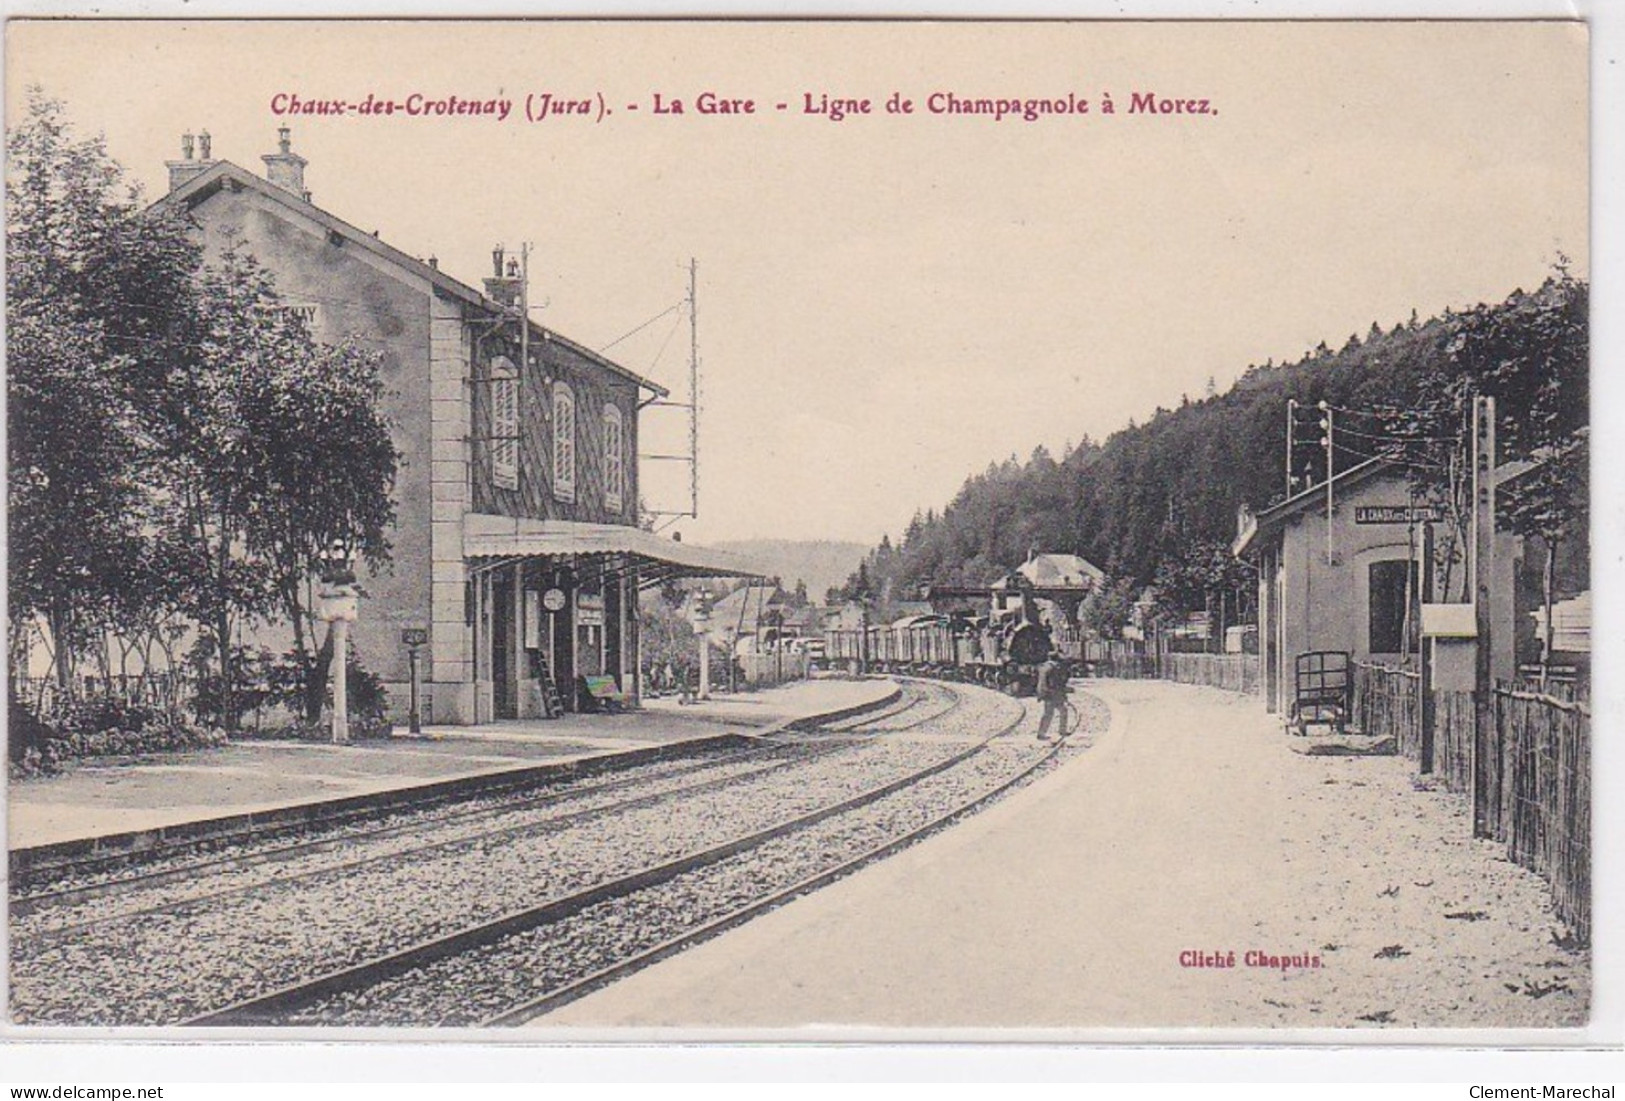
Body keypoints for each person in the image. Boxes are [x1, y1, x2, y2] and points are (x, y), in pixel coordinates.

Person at [1035, 652, 1070, 741]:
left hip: (1045, 693)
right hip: (1053, 693)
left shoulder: (1043, 667)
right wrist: (1063, 693)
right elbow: (1057, 682)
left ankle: (1042, 732)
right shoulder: (1055, 667)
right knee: (1061, 711)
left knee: (1049, 713)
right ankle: (1061, 731)